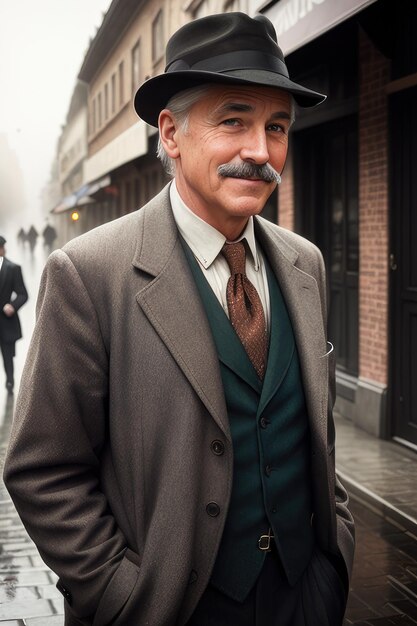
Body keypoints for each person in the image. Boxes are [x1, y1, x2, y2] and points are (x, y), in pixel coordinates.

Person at [4, 12, 354, 626]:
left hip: (304, 599)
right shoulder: (90, 273)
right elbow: (42, 469)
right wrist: (122, 596)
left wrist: (335, 556)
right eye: (233, 121)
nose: (260, 151)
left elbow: (313, 435)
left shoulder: (306, 263)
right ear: (170, 133)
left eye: (277, 127)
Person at [0, 236, 28, 393]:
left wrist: (12, 306)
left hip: (5, 322)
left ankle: (9, 380)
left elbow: (23, 294)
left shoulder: (13, 269)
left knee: (7, 356)